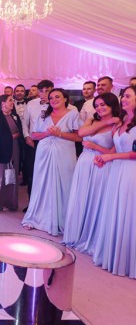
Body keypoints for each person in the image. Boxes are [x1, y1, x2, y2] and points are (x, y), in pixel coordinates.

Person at [64, 93, 120, 254]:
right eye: (97, 105)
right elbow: (81, 134)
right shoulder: (92, 120)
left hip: (100, 165)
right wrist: (107, 121)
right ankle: (76, 233)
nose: (99, 108)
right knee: (80, 198)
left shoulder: (118, 125)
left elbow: (112, 151)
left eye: (104, 105)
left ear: (112, 105)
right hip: (83, 163)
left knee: (95, 200)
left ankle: (91, 236)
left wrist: (95, 147)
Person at [22, 88, 82, 235]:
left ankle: (61, 221)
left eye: (57, 97)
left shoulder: (73, 114)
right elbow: (34, 135)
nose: (54, 100)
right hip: (44, 153)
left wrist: (59, 134)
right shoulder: (44, 115)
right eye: (51, 98)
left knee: (64, 184)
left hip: (64, 153)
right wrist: (48, 133)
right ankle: (36, 218)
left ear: (65, 99)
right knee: (42, 183)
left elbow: (79, 137)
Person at [92, 86, 136, 278]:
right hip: (117, 170)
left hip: (130, 172)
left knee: (128, 212)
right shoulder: (122, 121)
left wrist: (112, 157)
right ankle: (114, 255)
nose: (123, 98)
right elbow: (115, 148)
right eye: (123, 95)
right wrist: (104, 157)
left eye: (128, 96)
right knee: (116, 210)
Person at [0, 95, 23, 212]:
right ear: (3, 103)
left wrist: (17, 136)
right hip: (0, 151)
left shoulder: (15, 116)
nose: (13, 102)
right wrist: (12, 136)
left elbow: (20, 132)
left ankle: (10, 203)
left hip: (15, 149)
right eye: (10, 100)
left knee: (12, 177)